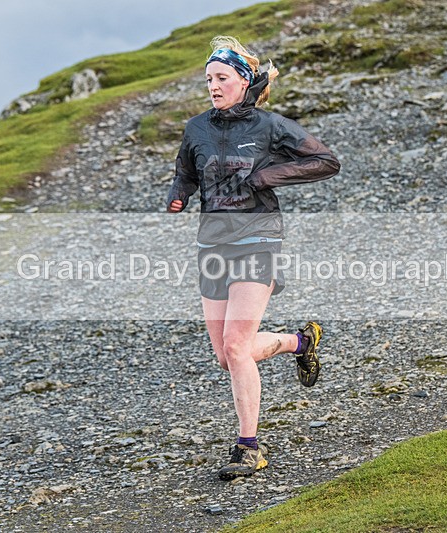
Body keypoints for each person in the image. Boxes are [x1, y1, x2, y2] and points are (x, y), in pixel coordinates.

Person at [166, 35, 340, 480]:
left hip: (258, 239)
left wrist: (267, 176)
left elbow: (325, 161)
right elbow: (186, 171)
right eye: (208, 79)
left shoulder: (269, 126)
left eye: (222, 77)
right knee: (225, 355)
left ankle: (249, 448)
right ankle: (299, 342)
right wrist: (178, 196)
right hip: (212, 246)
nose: (213, 85)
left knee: (238, 346)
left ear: (244, 80)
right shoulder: (196, 128)